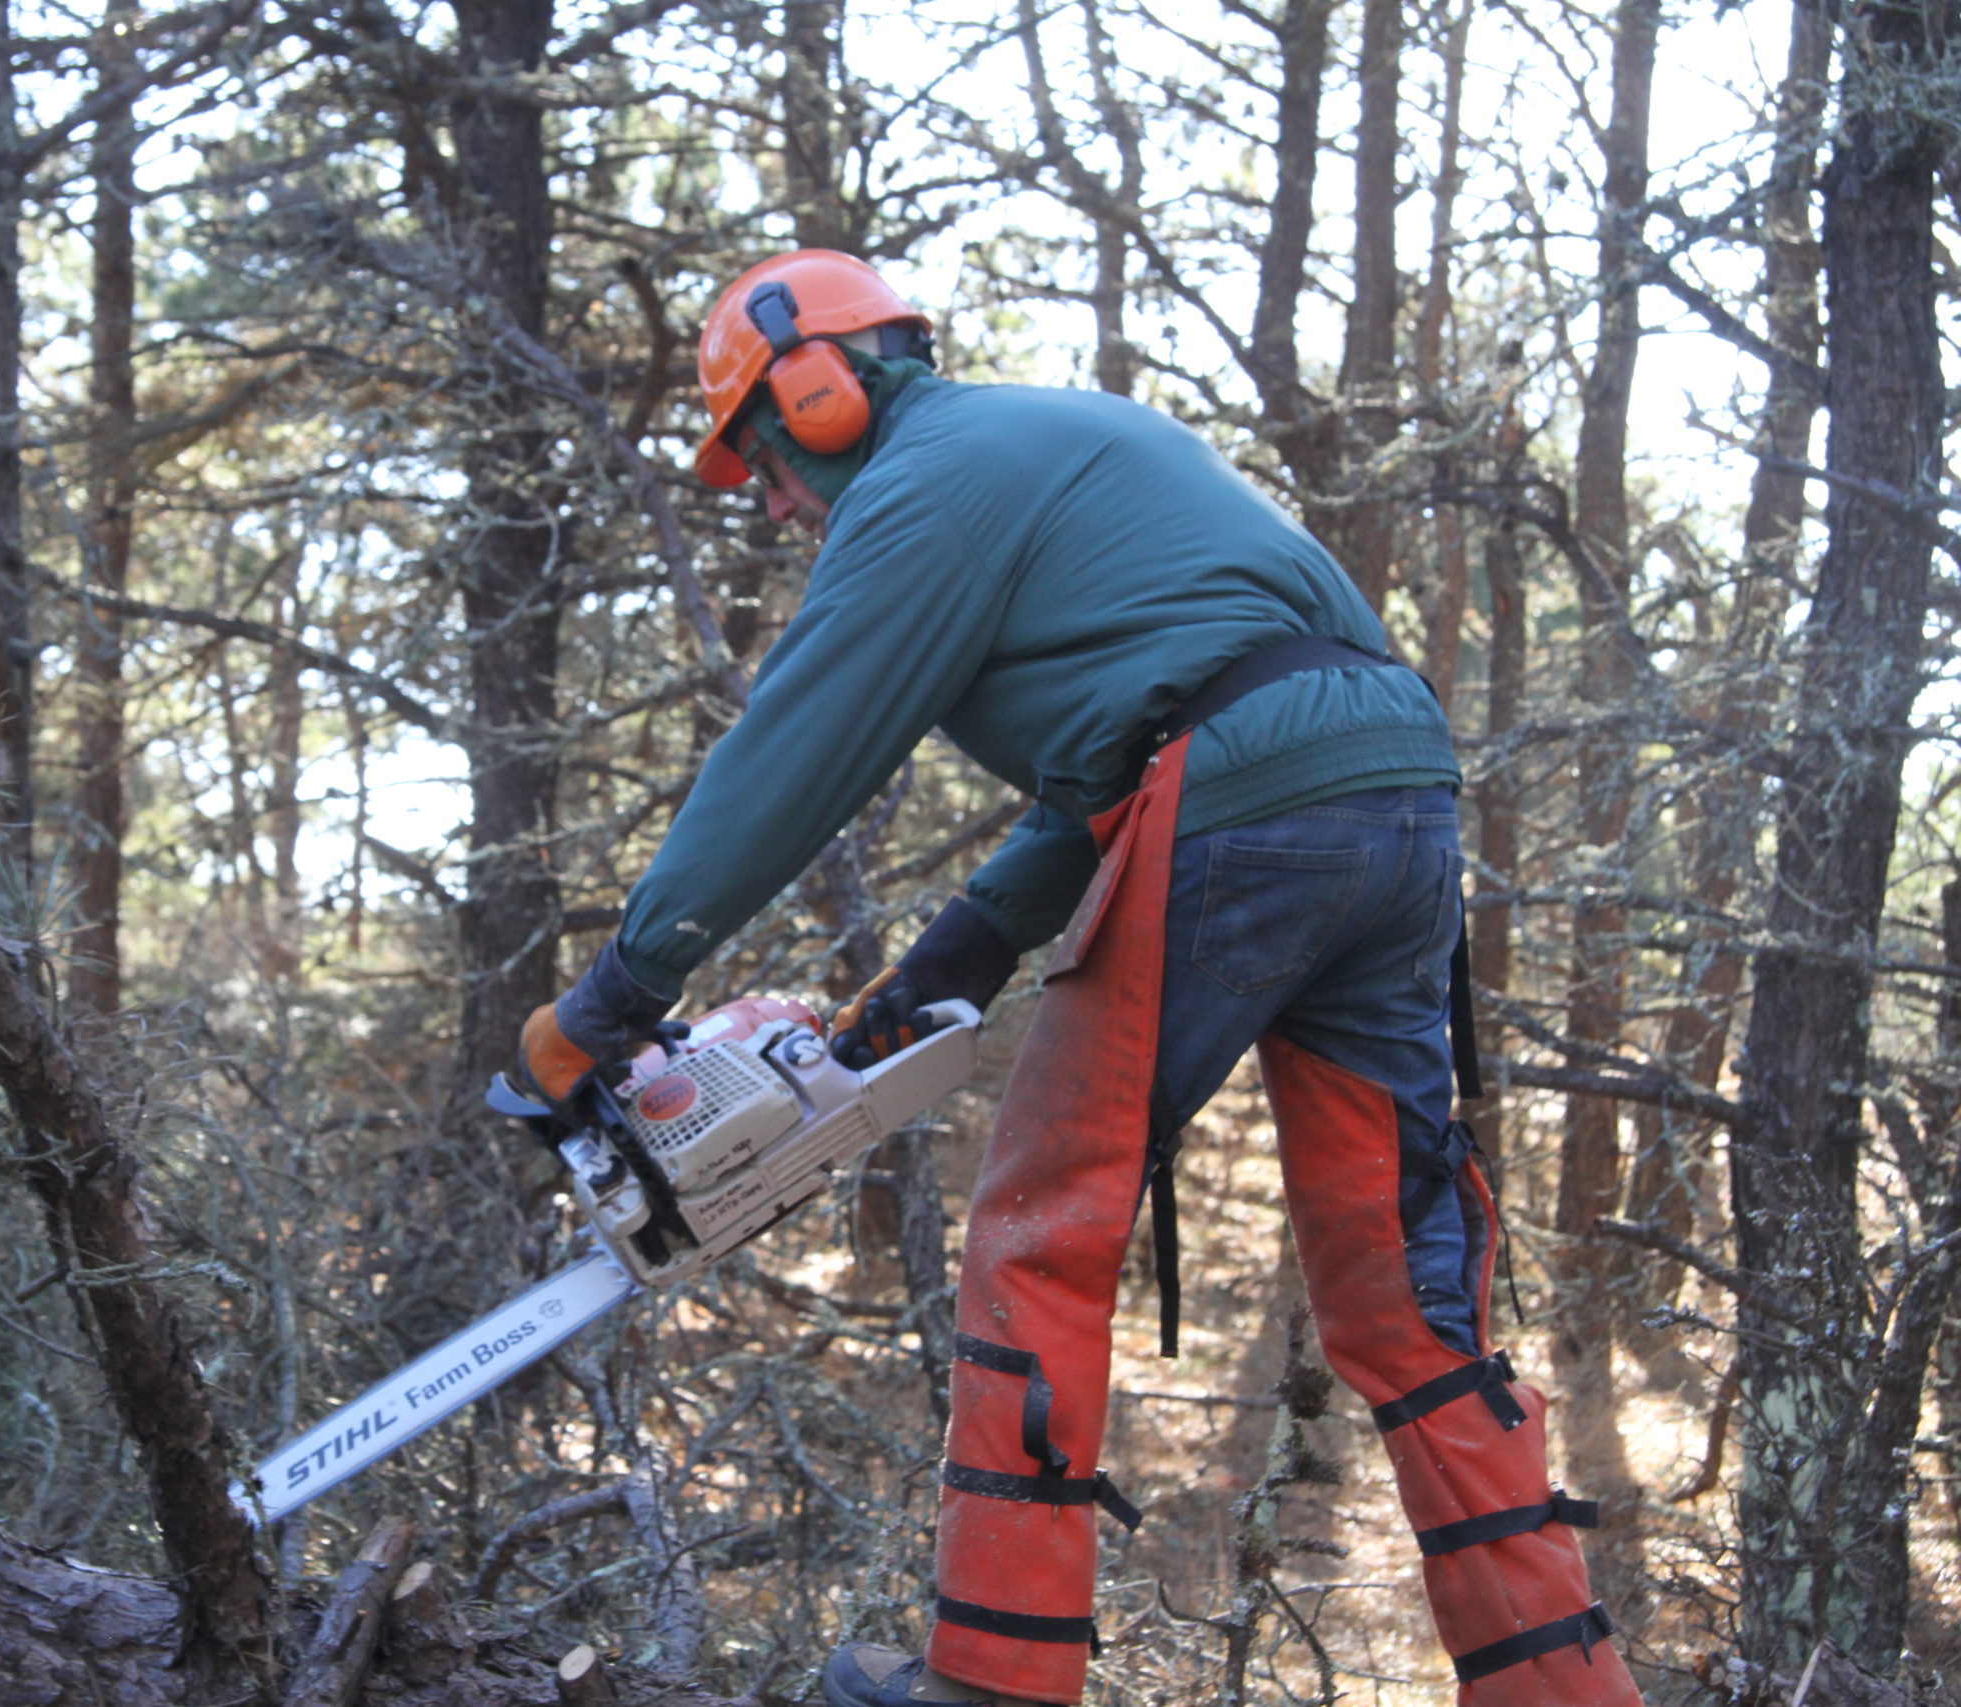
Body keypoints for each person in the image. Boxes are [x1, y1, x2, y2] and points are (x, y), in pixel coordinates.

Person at [515, 250, 1639, 1707]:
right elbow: (1145, 730)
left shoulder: (929, 481)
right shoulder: (1052, 443)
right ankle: (1559, 1688)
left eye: (769, 462)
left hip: (1242, 796)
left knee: (1044, 1222)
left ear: (822, 388)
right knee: (1400, 1285)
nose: (779, 505)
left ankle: (995, 1677)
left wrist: (611, 999)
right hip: (1397, 791)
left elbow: (800, 746)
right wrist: (957, 953)